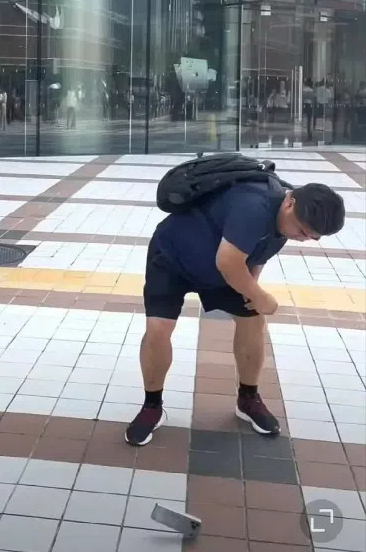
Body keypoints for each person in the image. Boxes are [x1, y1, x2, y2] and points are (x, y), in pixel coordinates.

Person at [125, 180, 345, 445]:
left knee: (252, 320)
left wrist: (251, 289)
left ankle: (248, 399)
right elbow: (228, 262)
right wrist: (262, 297)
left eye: (312, 237)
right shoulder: (253, 205)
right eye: (302, 231)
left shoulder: (287, 218)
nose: (304, 238)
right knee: (158, 329)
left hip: (219, 268)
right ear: (290, 202)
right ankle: (152, 406)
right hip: (173, 257)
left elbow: (260, 251)